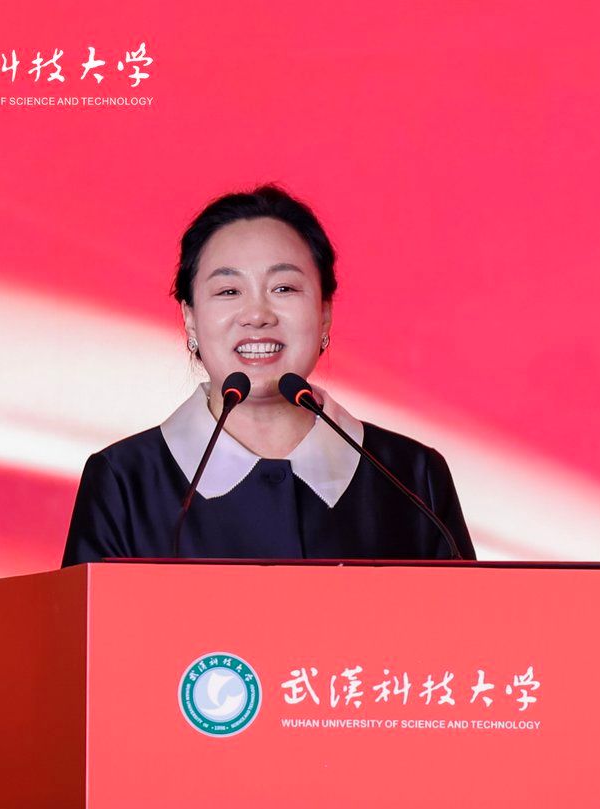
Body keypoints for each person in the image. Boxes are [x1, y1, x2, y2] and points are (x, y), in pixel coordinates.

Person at [61, 186, 476, 565]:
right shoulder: (124, 481)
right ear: (190, 318)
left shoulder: (411, 478)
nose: (257, 315)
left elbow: (469, 622)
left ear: (325, 312)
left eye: (284, 289)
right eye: (228, 291)